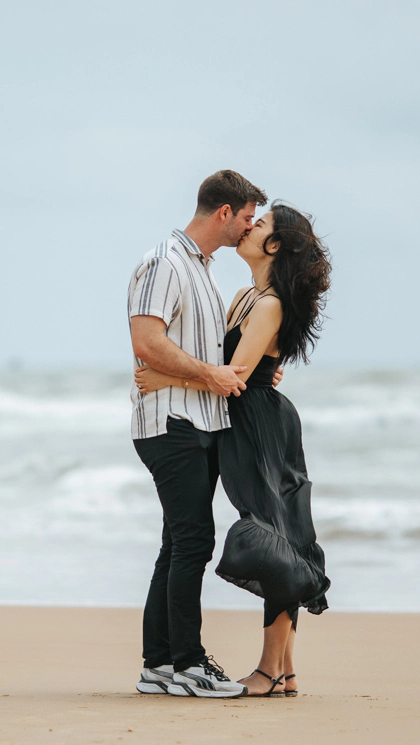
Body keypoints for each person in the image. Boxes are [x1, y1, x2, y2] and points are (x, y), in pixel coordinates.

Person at [136, 202, 332, 699]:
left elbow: (234, 379)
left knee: (277, 540)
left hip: (261, 427)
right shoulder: (247, 296)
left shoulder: (268, 305)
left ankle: (269, 670)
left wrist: (162, 376)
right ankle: (284, 671)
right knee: (277, 537)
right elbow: (218, 363)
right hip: (242, 423)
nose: (250, 226)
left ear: (275, 245)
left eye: (260, 224)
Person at [128, 170, 275, 699]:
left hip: (197, 420)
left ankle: (160, 665)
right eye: (247, 218)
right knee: (192, 541)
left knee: (177, 543)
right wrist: (207, 375)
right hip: (171, 422)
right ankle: (189, 665)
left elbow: (207, 353)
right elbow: (147, 341)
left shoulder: (202, 269)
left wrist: (245, 372)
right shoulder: (164, 262)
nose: (249, 228)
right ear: (224, 213)